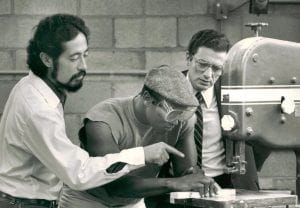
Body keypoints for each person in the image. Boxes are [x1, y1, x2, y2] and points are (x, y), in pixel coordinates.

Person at [0, 14, 185, 208]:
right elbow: (78, 173)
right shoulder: (38, 109)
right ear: (46, 59)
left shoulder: (32, 85)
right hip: (24, 203)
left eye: (84, 55)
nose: (83, 66)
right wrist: (142, 155)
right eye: (73, 58)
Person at [58, 65, 219, 208]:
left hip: (133, 201)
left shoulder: (183, 121)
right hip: (87, 199)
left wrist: (197, 180)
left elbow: (185, 173)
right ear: (148, 99)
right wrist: (173, 183)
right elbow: (114, 185)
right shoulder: (103, 119)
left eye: (184, 113)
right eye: (174, 113)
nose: (178, 121)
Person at [184, 29, 260, 190]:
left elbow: (260, 136)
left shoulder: (235, 91)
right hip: (181, 184)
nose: (208, 74)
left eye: (217, 68)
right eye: (202, 64)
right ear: (189, 59)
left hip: (226, 183)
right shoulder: (168, 88)